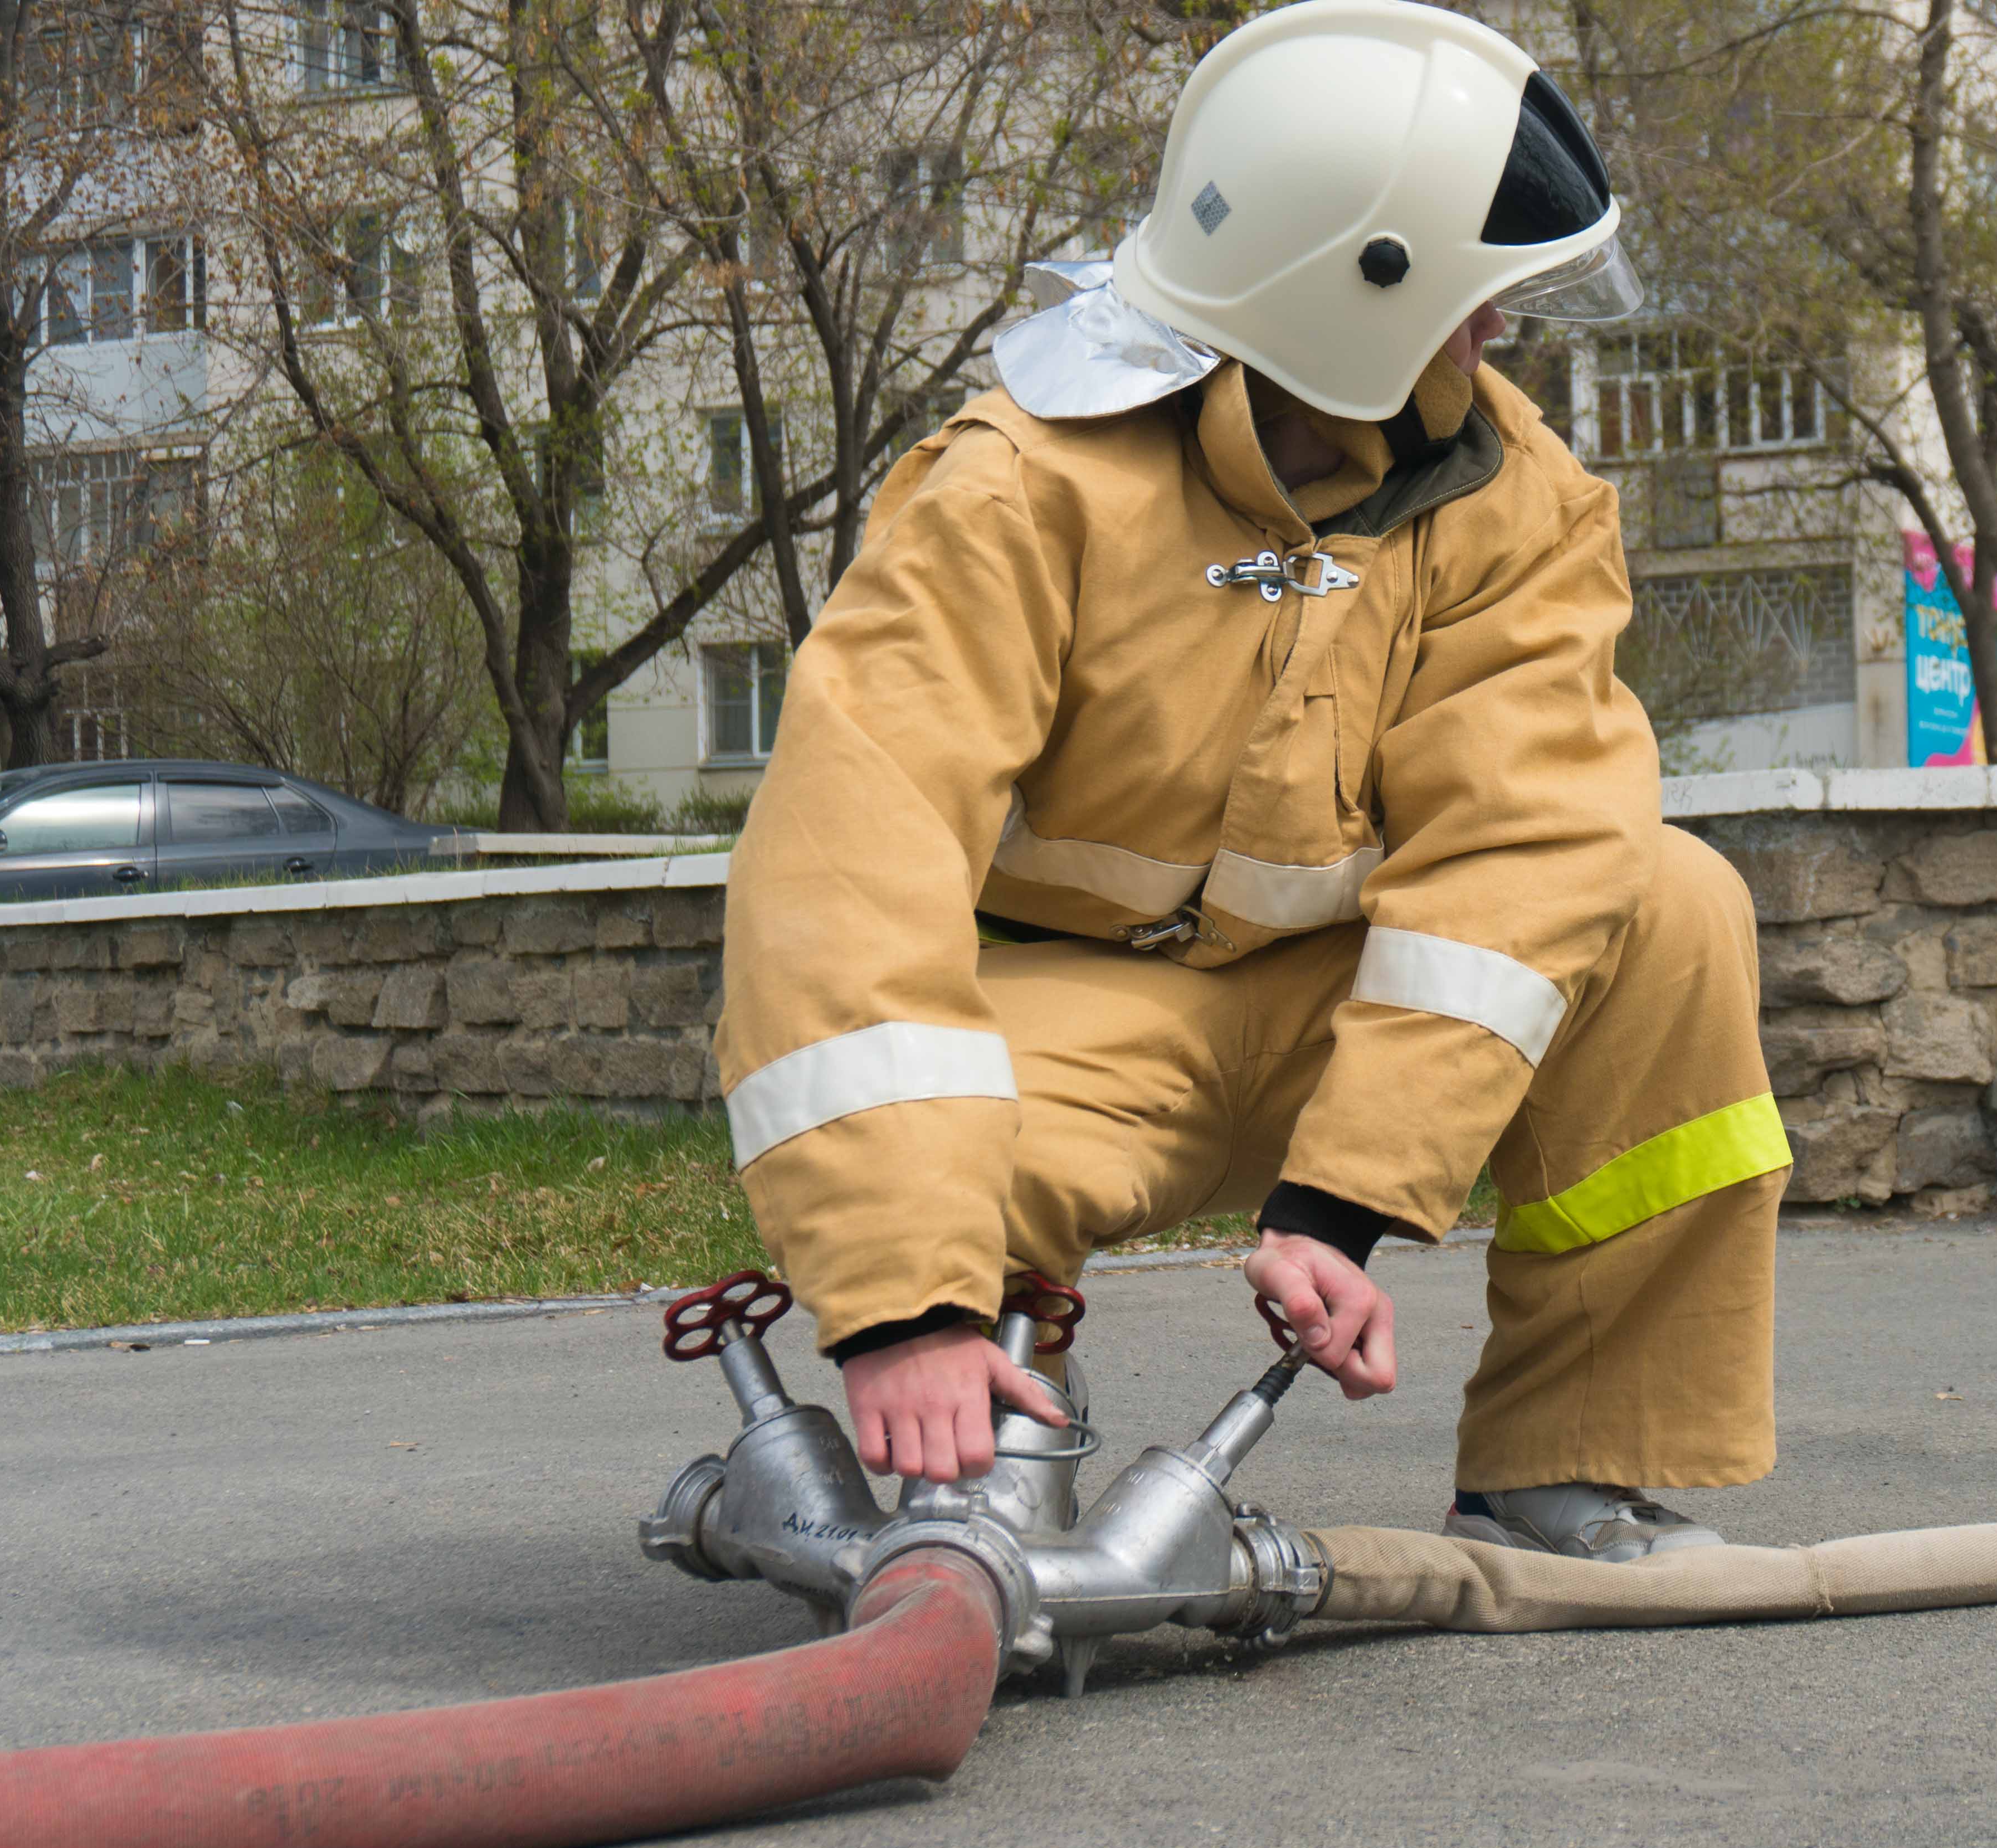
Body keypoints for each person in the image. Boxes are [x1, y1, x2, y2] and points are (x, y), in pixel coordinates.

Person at [713, 0, 1787, 1563]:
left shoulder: (1513, 496)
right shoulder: (1018, 488)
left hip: (1326, 1029)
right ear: (1350, 298)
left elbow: (1529, 844)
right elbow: (846, 876)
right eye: (1471, 302)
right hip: (1066, 1041)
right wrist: (908, 1302)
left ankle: (1570, 1464)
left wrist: (1343, 1205)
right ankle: (993, 1442)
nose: (1496, 338)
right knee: (928, 1133)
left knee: (1671, 902)